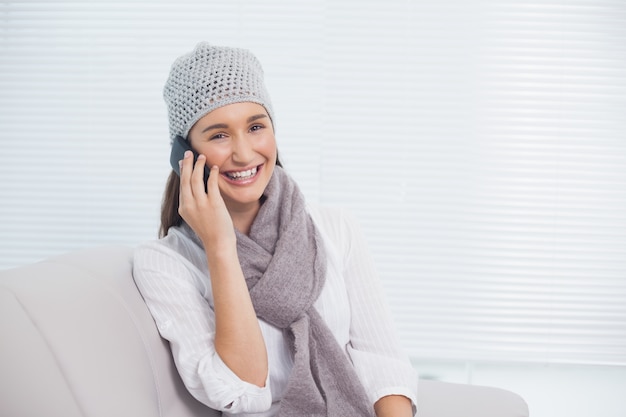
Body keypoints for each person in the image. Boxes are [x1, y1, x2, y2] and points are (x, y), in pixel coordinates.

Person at [133, 42, 418, 417]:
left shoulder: (335, 227)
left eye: (255, 127)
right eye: (219, 135)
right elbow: (243, 388)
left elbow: (383, 363)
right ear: (185, 154)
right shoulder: (165, 263)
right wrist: (220, 246)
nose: (245, 153)